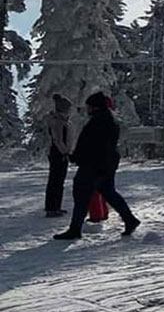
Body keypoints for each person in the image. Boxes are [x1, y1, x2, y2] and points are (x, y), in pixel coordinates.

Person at [53, 92, 140, 240]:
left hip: (93, 165)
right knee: (109, 193)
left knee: (81, 195)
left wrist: (75, 157)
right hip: (107, 163)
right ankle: (130, 219)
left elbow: (89, 145)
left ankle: (75, 229)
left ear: (94, 107)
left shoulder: (97, 122)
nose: (87, 109)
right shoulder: (110, 120)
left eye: (88, 106)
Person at [44, 94, 73, 217]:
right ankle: (51, 207)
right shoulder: (57, 121)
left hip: (62, 152)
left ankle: (56, 206)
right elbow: (58, 140)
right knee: (55, 180)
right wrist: (65, 152)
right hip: (58, 153)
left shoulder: (65, 121)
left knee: (59, 180)